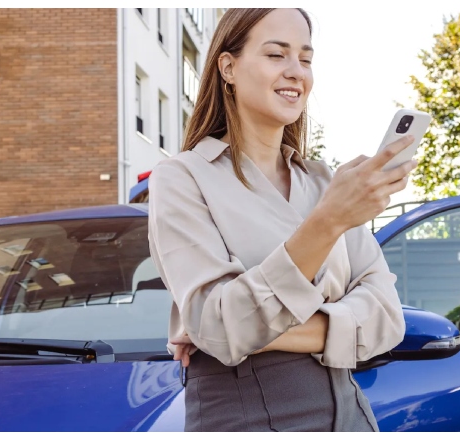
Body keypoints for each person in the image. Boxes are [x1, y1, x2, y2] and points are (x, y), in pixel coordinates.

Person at [147, 8, 417, 432]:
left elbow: (386, 318)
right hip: (246, 418)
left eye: (305, 59)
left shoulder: (325, 181)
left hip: (352, 416)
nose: (296, 72)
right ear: (228, 67)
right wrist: (327, 224)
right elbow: (219, 327)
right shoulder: (182, 178)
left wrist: (252, 333)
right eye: (276, 55)